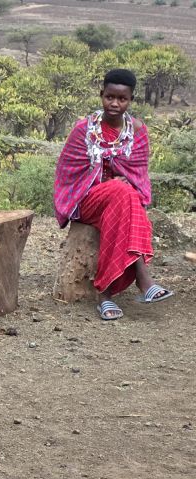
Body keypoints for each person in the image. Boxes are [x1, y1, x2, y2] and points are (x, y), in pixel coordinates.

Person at [54, 68, 173, 321]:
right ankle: (144, 281)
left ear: (131, 100)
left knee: (125, 195)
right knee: (122, 191)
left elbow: (138, 175)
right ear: (101, 95)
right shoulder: (83, 130)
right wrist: (108, 181)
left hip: (119, 201)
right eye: (110, 97)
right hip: (86, 201)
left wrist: (121, 182)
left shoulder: (138, 132)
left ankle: (105, 296)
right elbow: (68, 174)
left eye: (122, 99)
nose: (115, 104)